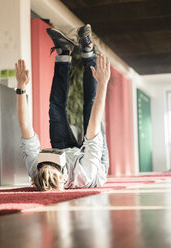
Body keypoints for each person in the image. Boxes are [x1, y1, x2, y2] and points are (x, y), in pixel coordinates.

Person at [15, 24, 110, 191]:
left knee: (55, 108)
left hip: (67, 149)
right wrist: (102, 84)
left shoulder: (36, 168)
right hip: (93, 159)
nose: (52, 155)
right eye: (55, 159)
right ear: (65, 172)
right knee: (90, 106)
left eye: (46, 158)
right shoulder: (84, 174)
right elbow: (93, 131)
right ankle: (88, 51)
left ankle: (64, 53)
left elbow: (25, 128)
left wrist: (21, 88)